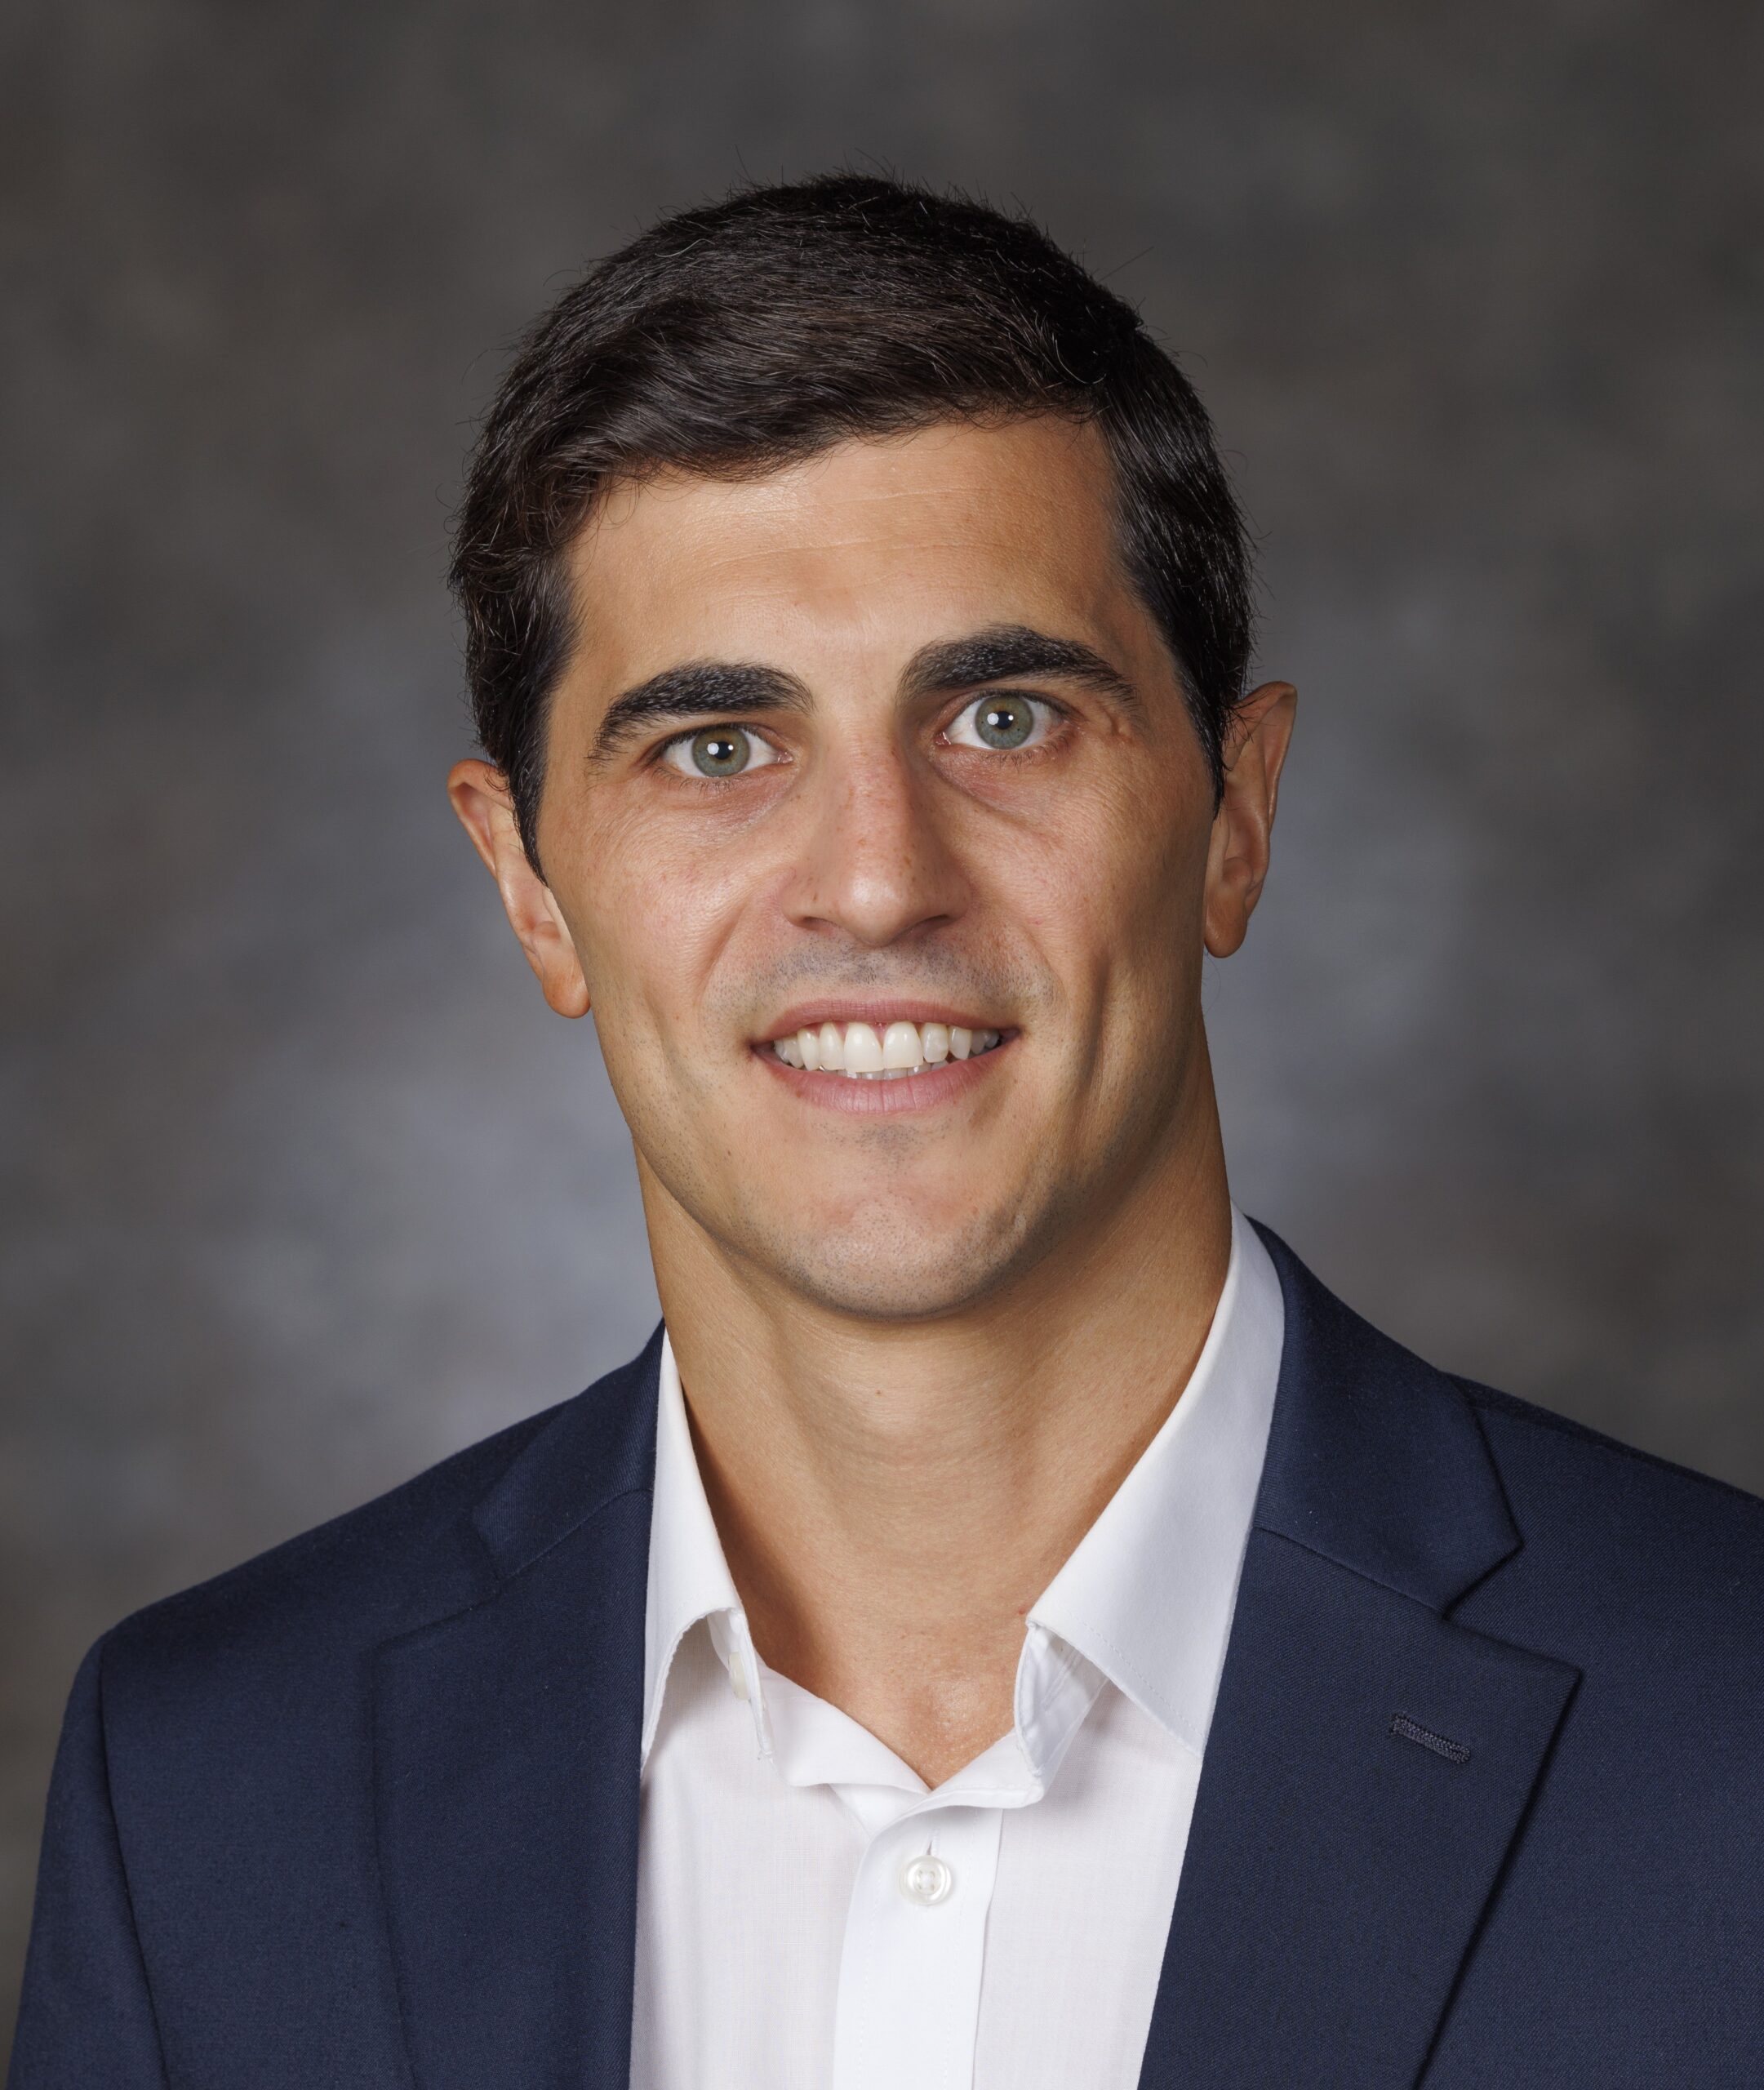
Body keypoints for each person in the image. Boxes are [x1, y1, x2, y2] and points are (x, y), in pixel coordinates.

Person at [11, 173, 1764, 2090]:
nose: (872, 877)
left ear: (1235, 815)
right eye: (716, 748)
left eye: (1004, 718)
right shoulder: (205, 1791)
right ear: (526, 887)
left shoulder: (1727, 1730)